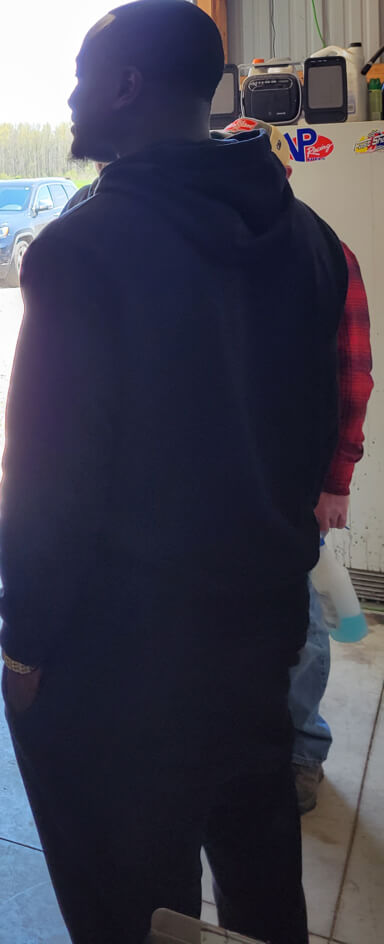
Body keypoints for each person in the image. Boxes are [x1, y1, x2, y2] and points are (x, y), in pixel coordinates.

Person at [0, 0, 349, 944]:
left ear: (125, 85)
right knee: (260, 876)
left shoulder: (82, 251)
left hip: (121, 660)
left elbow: (48, 485)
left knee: (128, 903)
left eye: (81, 74)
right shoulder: (314, 245)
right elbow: (315, 435)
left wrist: (26, 644)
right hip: (258, 639)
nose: (71, 96)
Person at [226, 120, 373, 814]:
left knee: (301, 625)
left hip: (288, 483)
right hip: (217, 485)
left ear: (283, 177)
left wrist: (336, 480)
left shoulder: (325, 253)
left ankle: (300, 749)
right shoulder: (208, 256)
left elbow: (353, 373)